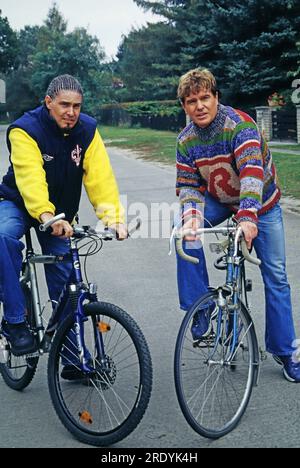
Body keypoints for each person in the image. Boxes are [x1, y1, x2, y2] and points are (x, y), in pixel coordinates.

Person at [175, 68, 300, 383]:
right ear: (184, 106)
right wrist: (191, 216)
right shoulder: (185, 140)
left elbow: (251, 173)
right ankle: (199, 310)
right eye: (192, 101)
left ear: (216, 97)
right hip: (218, 200)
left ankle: (286, 351)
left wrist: (248, 216)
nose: (200, 105)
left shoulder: (240, 126)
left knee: (276, 275)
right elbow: (189, 185)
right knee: (182, 232)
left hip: (262, 202)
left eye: (205, 97)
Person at [0, 74, 127, 362]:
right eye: (64, 105)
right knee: (3, 238)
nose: (71, 113)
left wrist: (114, 218)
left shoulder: (88, 131)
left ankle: (72, 358)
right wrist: (47, 215)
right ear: (48, 103)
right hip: (18, 203)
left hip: (59, 216)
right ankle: (16, 322)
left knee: (67, 285)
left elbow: (100, 179)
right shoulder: (24, 129)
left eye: (77, 106)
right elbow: (30, 177)